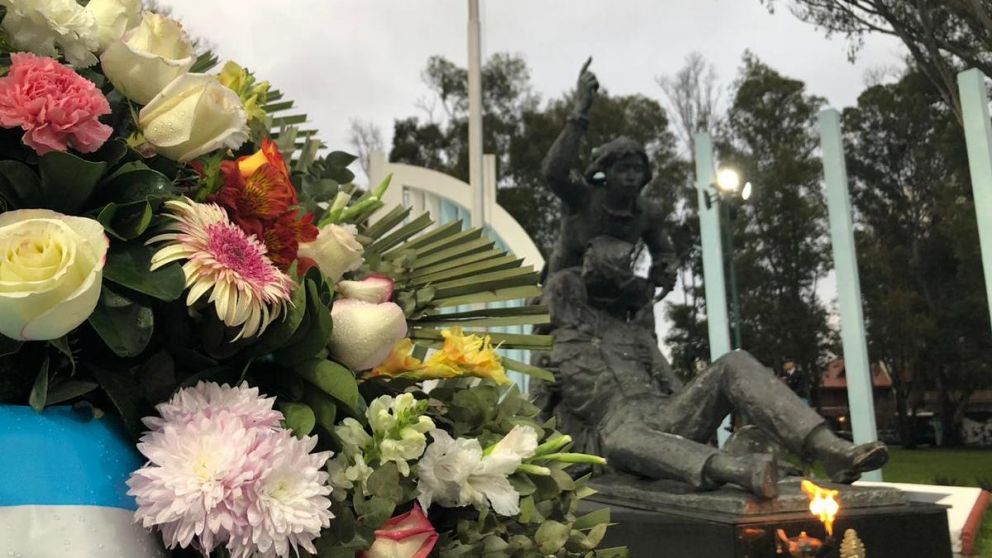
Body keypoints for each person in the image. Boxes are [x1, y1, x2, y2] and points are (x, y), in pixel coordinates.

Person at [542, 236, 889, 498]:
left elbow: (674, 383)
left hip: (663, 415)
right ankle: (739, 469)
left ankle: (831, 450)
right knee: (621, 439)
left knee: (733, 362)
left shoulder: (633, 334)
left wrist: (699, 409)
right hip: (616, 434)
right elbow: (533, 424)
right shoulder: (548, 352)